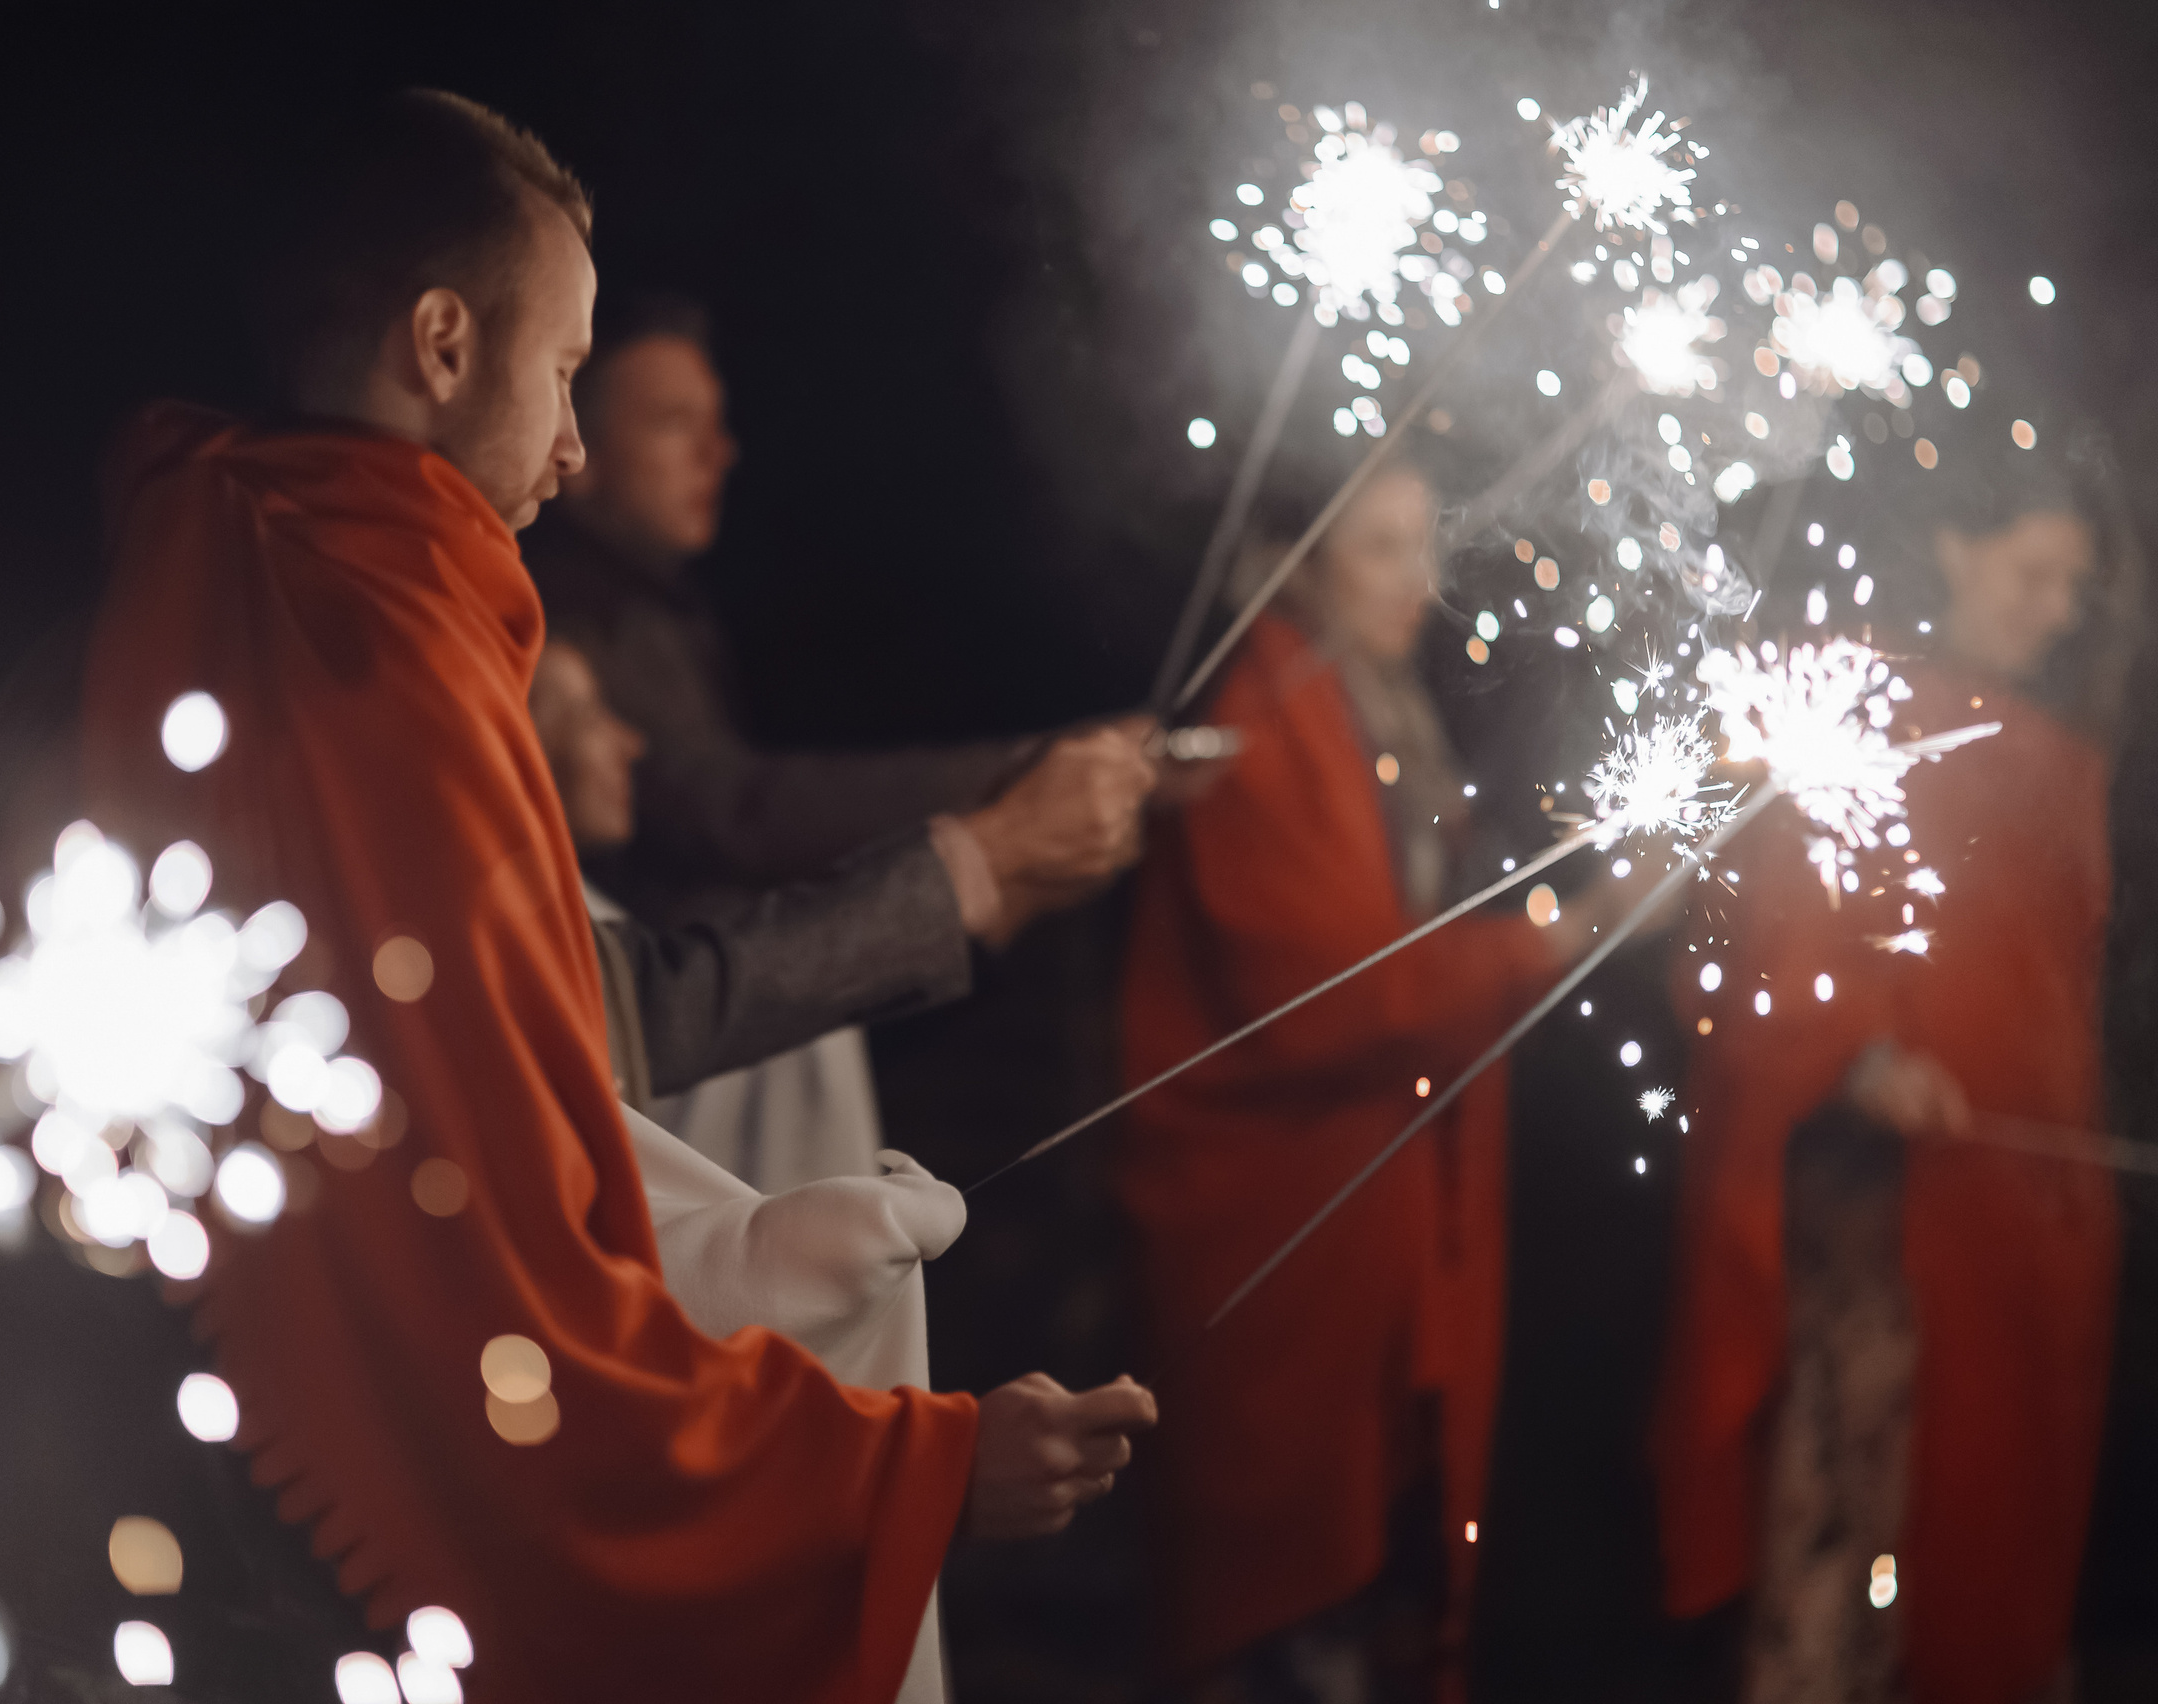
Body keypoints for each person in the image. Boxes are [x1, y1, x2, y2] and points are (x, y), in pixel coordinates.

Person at [73, 90, 1155, 1701]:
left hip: (136, 1492)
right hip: (321, 1605)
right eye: (568, 374)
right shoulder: (392, 673)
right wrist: (910, 1471)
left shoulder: (194, 579)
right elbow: (495, 1314)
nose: (572, 452)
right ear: (444, 344)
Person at [1112, 464, 1661, 1700]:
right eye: (1378, 551)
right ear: (1301, 562)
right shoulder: (1263, 707)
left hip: (1383, 1210)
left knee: (1379, 1588)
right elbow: (1341, 998)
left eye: (1425, 543)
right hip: (1282, 1217)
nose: (1419, 583)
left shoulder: (1373, 698)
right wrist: (1567, 931)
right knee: (1286, 1602)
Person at [1650, 473, 2117, 1703]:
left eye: (2074, 584)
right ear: (1956, 546)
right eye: (2033, 572)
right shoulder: (1854, 714)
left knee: (1987, 1542)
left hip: (2018, 1225)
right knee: (1851, 1546)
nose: (2056, 608)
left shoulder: (2061, 762)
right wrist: (1858, 1056)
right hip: (1874, 1230)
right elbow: (1757, 952)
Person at [525, 295, 1159, 1189]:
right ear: (576, 447)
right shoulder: (565, 620)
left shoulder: (654, 608)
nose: (720, 451)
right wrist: (1010, 793)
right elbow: (735, 809)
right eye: (674, 423)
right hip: (667, 1085)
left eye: (718, 422)